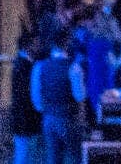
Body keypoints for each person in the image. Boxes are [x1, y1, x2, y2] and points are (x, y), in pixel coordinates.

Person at [31, 33, 87, 164]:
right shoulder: (74, 67)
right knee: (77, 158)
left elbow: (36, 97)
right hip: (69, 118)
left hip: (49, 118)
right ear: (67, 45)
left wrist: (45, 110)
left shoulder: (40, 66)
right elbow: (79, 96)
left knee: (53, 158)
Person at [8, 34, 43, 164]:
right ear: (28, 45)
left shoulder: (21, 63)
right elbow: (26, 95)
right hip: (25, 117)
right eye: (36, 43)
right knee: (23, 154)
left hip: (22, 117)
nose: (39, 46)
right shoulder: (25, 66)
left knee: (24, 153)